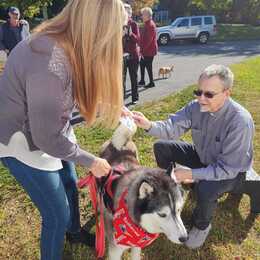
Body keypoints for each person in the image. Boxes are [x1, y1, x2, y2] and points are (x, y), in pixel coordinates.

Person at [0, 1, 126, 260]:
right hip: (23, 143)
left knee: (70, 184)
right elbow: (46, 137)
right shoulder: (51, 59)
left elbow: (65, 97)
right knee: (57, 214)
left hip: (50, 132)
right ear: (98, 28)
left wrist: (112, 107)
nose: (120, 37)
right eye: (118, 29)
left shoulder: (67, 46)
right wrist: (91, 161)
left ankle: (74, 232)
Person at [132, 64, 257, 249]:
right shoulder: (196, 107)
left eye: (209, 94)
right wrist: (148, 124)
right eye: (198, 92)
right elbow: (171, 127)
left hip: (232, 172)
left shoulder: (240, 122)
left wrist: (191, 173)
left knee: (205, 189)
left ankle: (201, 225)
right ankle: (179, 187)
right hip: (203, 157)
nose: (201, 99)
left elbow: (227, 169)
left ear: (227, 93)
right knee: (161, 147)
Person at [123, 3, 140, 104]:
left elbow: (138, 39)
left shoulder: (133, 24)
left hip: (133, 55)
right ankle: (121, 100)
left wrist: (130, 34)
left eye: (125, 11)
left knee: (134, 77)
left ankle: (135, 98)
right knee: (122, 79)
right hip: (122, 56)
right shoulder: (118, 24)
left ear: (130, 13)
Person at [138, 7, 158, 88]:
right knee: (142, 64)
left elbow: (149, 41)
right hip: (146, 50)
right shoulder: (146, 23)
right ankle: (142, 81)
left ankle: (151, 83)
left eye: (143, 14)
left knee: (148, 66)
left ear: (147, 15)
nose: (141, 16)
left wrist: (141, 50)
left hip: (149, 51)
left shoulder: (150, 25)